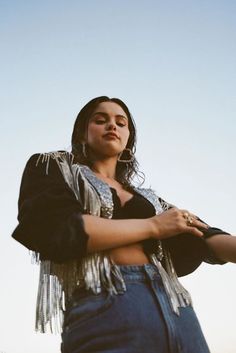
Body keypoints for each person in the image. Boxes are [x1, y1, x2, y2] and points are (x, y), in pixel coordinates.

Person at [12, 96, 236, 353]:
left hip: (177, 309)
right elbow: (58, 227)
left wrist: (166, 224)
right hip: (105, 307)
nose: (112, 126)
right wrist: (153, 227)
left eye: (121, 122)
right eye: (100, 120)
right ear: (82, 134)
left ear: (128, 139)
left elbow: (203, 236)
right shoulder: (54, 167)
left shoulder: (149, 199)